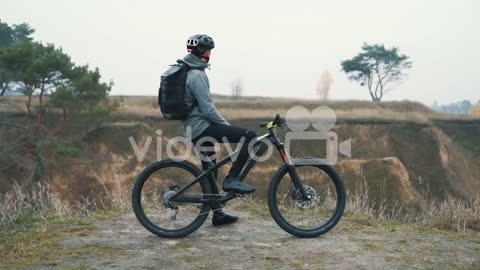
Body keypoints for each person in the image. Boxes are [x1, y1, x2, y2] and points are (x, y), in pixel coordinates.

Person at [181, 34, 257, 226]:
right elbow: (208, 108)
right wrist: (225, 126)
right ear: (202, 51)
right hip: (201, 129)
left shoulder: (190, 70)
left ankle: (218, 214)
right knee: (250, 136)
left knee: (210, 171)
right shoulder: (197, 75)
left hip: (193, 129)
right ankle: (232, 179)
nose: (210, 53)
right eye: (208, 50)